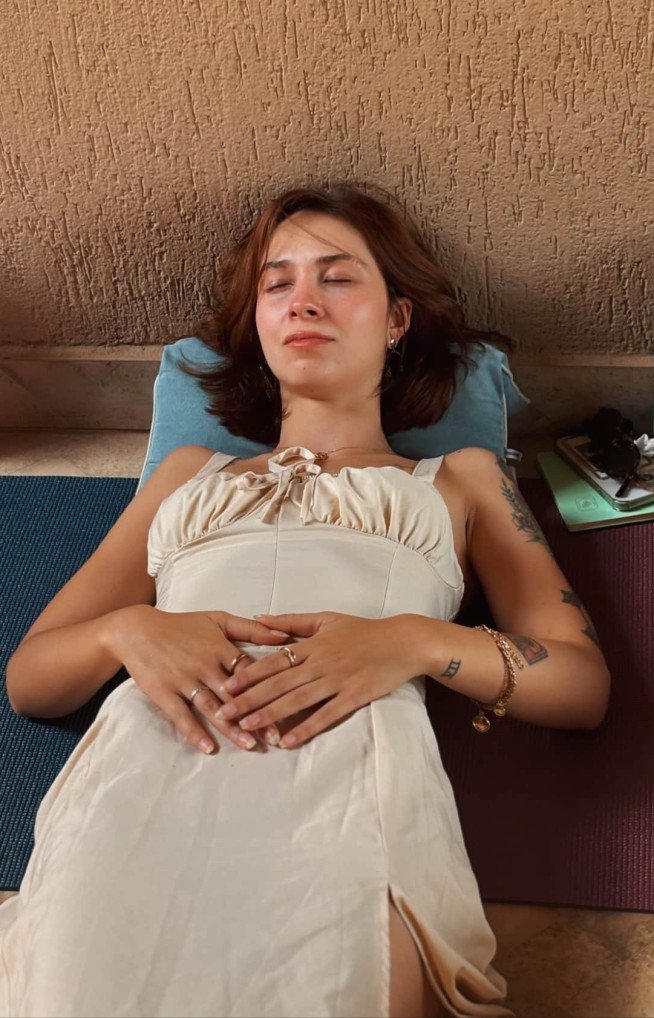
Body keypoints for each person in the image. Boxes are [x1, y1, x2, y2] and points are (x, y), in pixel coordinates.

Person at [1, 181, 610, 1018]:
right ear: (257, 324)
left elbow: (579, 684)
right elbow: (30, 679)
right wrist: (128, 632)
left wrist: (413, 643)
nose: (303, 301)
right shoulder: (189, 474)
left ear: (396, 319)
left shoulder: (461, 478)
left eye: (338, 276)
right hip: (145, 772)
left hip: (347, 784)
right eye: (277, 282)